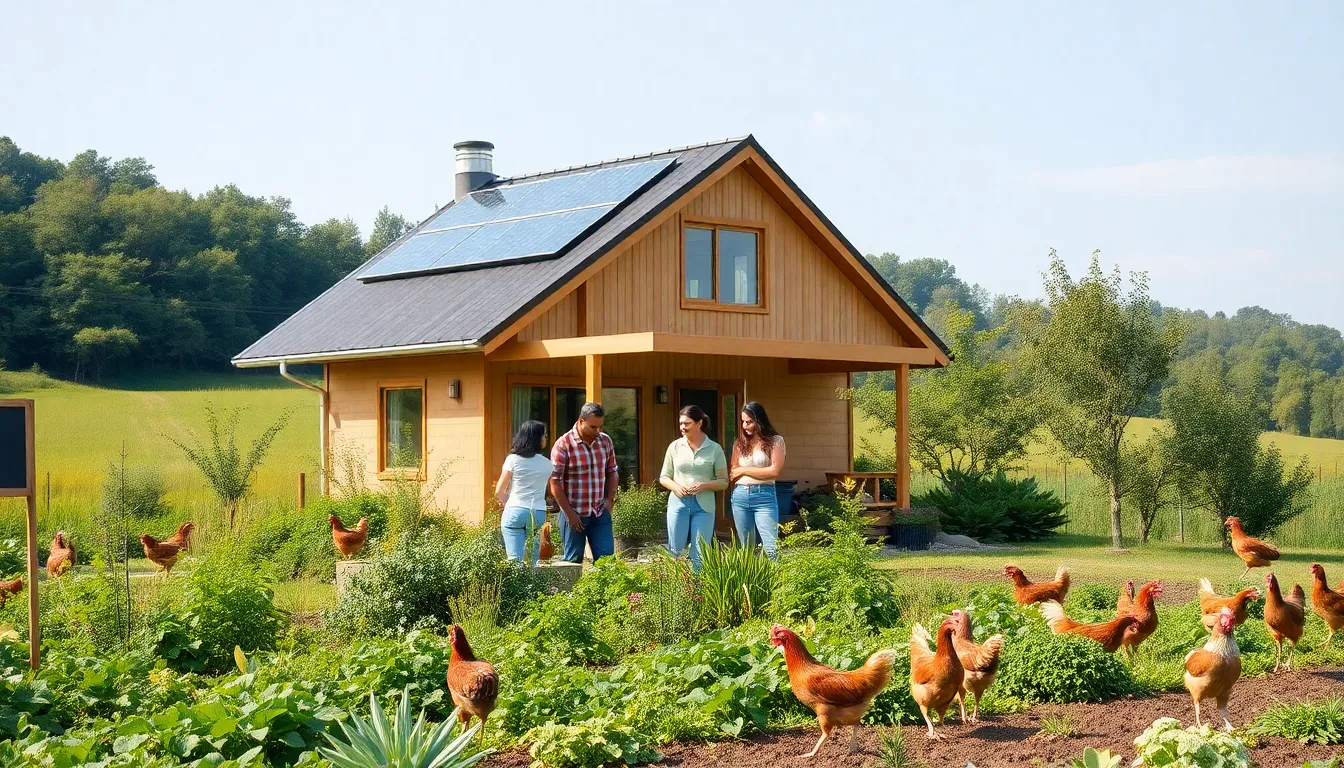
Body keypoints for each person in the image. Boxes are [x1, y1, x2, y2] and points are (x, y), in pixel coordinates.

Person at [659, 405, 729, 572]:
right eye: (681, 423)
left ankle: (698, 586)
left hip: (704, 507)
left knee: (700, 553)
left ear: (699, 423)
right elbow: (664, 477)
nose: (683, 427)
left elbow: (724, 482)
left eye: (687, 423)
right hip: (678, 504)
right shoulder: (674, 447)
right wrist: (675, 487)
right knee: (675, 552)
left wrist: (704, 485)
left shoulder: (715, 449)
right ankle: (674, 585)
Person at [549, 402, 618, 563]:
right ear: (581, 421)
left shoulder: (605, 441)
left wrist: (610, 500)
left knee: (607, 563)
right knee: (572, 563)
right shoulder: (564, 444)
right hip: (574, 513)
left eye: (600, 427)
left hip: (599, 512)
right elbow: (555, 481)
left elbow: (612, 471)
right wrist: (569, 513)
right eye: (593, 427)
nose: (598, 431)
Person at [729, 401, 786, 558]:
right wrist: (760, 471)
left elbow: (774, 471)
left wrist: (744, 470)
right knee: (746, 549)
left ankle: (774, 573)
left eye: (749, 422)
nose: (745, 426)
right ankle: (749, 575)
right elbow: (733, 473)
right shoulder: (739, 444)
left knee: (771, 547)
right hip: (740, 496)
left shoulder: (776, 441)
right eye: (743, 422)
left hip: (764, 496)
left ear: (759, 421)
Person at [495, 420, 552, 565]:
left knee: (515, 561)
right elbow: (550, 489)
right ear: (537, 439)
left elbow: (500, 490)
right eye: (544, 436)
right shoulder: (547, 463)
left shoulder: (513, 460)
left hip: (515, 509)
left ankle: (517, 577)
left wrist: (505, 501)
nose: (545, 438)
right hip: (538, 512)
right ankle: (532, 578)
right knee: (532, 560)